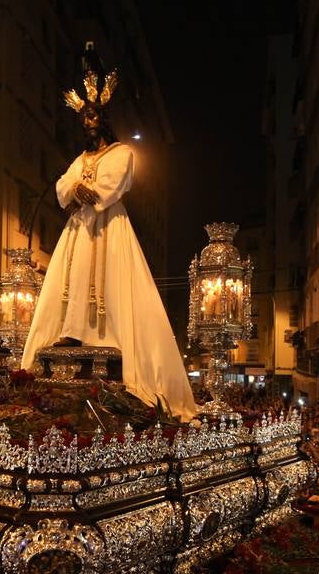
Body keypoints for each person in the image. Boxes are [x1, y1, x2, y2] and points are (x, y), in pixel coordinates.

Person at [19, 57, 197, 420]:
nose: (88, 122)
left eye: (93, 116)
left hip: (108, 225)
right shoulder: (79, 157)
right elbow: (63, 186)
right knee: (71, 277)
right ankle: (73, 329)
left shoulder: (122, 152)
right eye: (84, 117)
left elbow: (114, 183)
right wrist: (77, 191)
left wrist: (89, 191)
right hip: (80, 228)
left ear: (104, 118)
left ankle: (106, 332)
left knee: (111, 280)